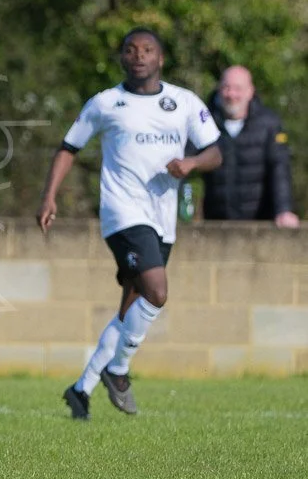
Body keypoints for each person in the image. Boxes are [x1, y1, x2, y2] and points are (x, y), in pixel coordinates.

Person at [36, 29, 220, 420]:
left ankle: (82, 388)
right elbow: (69, 147)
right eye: (131, 50)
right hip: (122, 213)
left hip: (162, 217)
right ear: (122, 58)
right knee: (156, 292)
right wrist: (49, 196)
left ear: (161, 58)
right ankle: (118, 371)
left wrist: (191, 164)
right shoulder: (106, 103)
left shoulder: (183, 102)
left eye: (148, 50)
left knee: (132, 306)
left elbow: (214, 152)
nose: (139, 56)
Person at [201, 65, 297, 227]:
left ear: (250, 91)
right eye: (226, 88)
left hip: (260, 223)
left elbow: (279, 168)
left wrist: (284, 209)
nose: (231, 94)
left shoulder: (269, 124)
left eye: (238, 88)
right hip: (216, 223)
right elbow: (185, 162)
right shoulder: (203, 122)